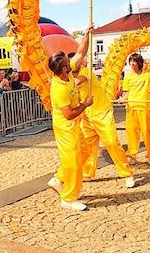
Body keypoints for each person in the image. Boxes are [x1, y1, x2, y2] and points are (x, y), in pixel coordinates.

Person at [70, 53, 135, 188]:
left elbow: (76, 82)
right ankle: (88, 172)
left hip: (102, 113)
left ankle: (127, 173)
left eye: (76, 61)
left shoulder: (85, 71)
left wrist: (60, 84)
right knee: (87, 145)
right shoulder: (69, 77)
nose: (74, 64)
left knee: (111, 143)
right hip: (87, 115)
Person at [46, 50, 93, 211]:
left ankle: (58, 179)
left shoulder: (67, 72)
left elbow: (80, 52)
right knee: (73, 163)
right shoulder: (58, 88)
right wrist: (85, 104)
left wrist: (87, 34)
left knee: (86, 150)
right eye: (68, 62)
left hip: (74, 125)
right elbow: (68, 114)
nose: (72, 62)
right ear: (64, 69)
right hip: (65, 128)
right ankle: (68, 198)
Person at [121, 53, 150, 167]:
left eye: (135, 61)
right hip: (131, 108)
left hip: (144, 109)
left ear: (140, 63)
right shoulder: (128, 76)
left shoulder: (147, 76)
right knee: (132, 133)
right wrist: (123, 99)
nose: (133, 64)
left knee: (147, 133)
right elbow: (127, 92)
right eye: (131, 61)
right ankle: (132, 155)